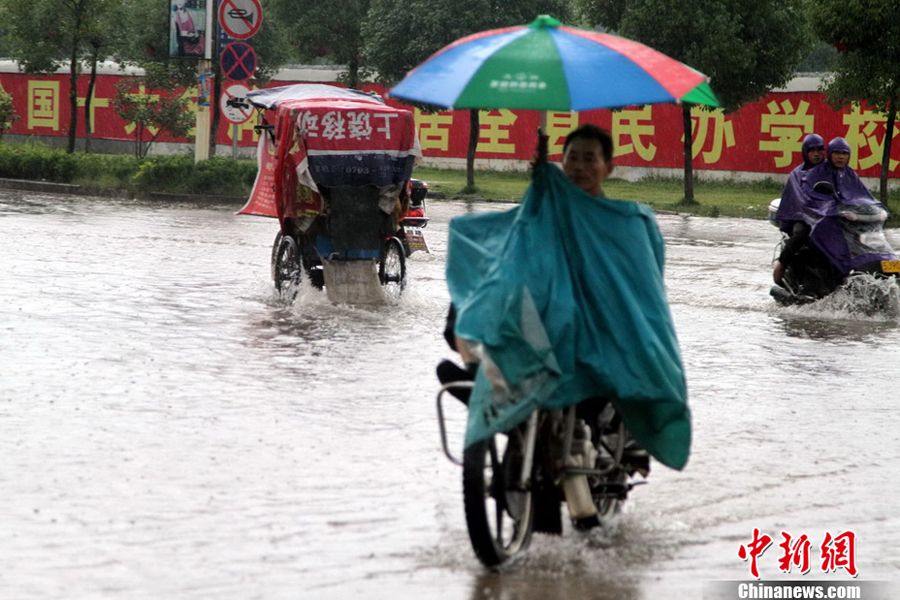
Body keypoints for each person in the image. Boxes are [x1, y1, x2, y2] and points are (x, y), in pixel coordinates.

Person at [438, 124, 689, 529]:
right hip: (548, 325)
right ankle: (490, 377)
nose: (579, 166)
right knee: (485, 288)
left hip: (597, 333)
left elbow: (640, 290)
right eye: (571, 157)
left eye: (590, 158)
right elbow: (512, 251)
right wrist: (540, 189)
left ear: (609, 166)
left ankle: (599, 441)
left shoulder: (625, 223)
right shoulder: (544, 205)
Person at [772, 133, 825, 287]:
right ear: (805, 152)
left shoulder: (831, 171)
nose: (817, 154)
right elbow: (797, 199)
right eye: (812, 150)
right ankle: (781, 264)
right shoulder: (797, 175)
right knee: (802, 233)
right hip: (804, 218)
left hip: (829, 217)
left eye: (820, 149)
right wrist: (810, 212)